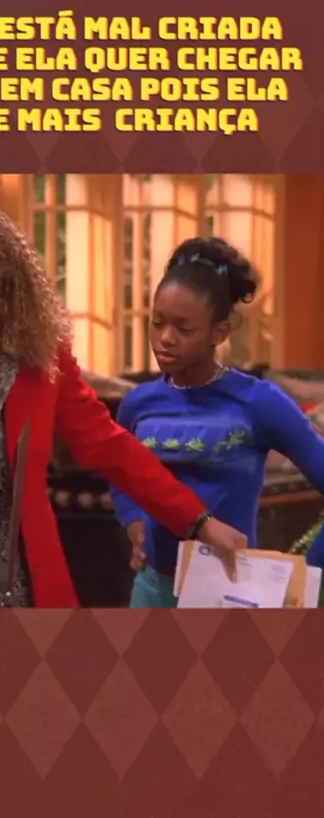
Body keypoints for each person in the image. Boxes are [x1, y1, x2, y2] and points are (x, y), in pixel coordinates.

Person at [0, 207, 245, 609]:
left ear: (2, 295)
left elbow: (110, 447)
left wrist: (197, 521)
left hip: (24, 600)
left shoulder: (40, 364)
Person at [111, 236, 324, 608]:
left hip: (230, 594)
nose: (165, 338)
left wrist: (309, 574)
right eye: (157, 323)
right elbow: (120, 472)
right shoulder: (138, 404)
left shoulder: (259, 402)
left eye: (184, 329)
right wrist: (134, 521)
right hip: (152, 589)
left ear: (219, 332)